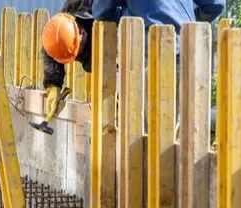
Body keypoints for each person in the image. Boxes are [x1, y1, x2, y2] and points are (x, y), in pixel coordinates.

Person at [40, 0, 225, 121]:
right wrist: (52, 83)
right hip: (195, 47)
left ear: (81, 31)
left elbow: (102, 11)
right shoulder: (70, 16)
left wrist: (111, 17)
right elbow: (216, 4)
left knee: (151, 130)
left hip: (154, 50)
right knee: (191, 122)